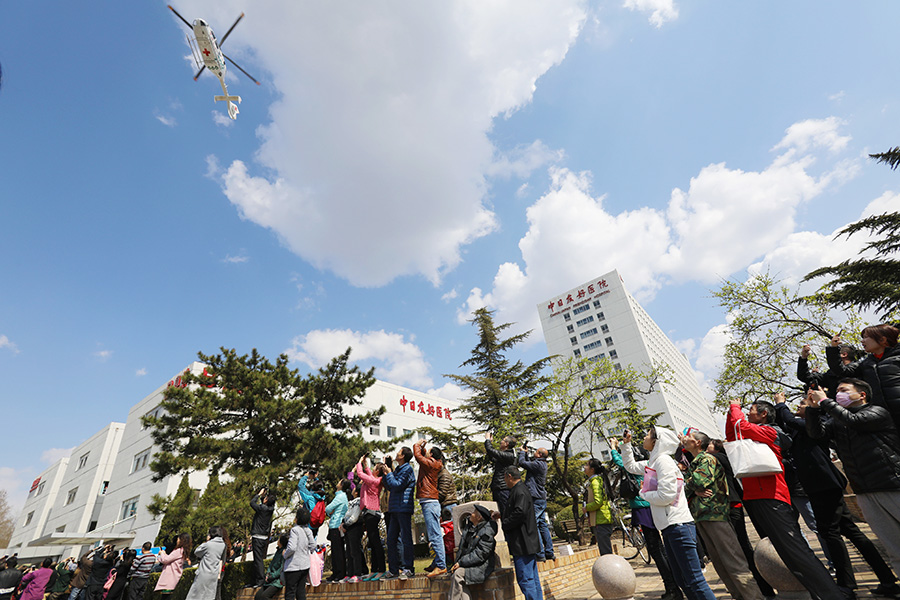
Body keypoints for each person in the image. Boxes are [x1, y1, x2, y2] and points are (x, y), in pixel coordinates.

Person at [777, 389, 899, 598]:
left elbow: (790, 418)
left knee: (830, 533)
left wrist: (781, 404)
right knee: (850, 531)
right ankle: (886, 579)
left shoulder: (817, 424)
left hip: (823, 483)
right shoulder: (804, 426)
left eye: (802, 405)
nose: (798, 409)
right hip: (819, 484)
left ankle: (846, 585)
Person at [727, 398, 844, 600]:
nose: (748, 413)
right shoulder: (752, 433)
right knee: (787, 554)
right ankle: (817, 594)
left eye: (752, 410)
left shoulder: (771, 432)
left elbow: (740, 425)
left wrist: (735, 407)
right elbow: (733, 431)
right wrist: (731, 412)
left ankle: (833, 595)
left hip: (772, 497)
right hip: (757, 497)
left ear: (764, 414)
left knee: (797, 551)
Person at [806, 379, 900, 584]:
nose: (838, 394)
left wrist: (825, 402)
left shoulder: (876, 412)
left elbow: (854, 421)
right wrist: (813, 410)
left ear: (862, 395)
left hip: (892, 484)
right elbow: (817, 434)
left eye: (843, 390)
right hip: (864, 491)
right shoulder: (838, 421)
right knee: (893, 548)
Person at [621, 428, 715, 600]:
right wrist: (626, 446)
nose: (644, 437)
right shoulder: (654, 462)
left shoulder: (663, 461)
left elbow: (666, 495)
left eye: (648, 434)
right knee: (683, 580)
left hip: (678, 526)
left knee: (694, 580)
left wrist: (643, 493)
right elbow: (631, 466)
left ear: (657, 441)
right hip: (669, 527)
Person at [682, 430, 762, 600]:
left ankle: (754, 597)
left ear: (697, 443)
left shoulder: (707, 459)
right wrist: (692, 488)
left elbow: (698, 481)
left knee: (734, 560)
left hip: (715, 515)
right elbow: (685, 486)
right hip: (702, 516)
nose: (684, 439)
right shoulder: (696, 462)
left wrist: (690, 486)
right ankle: (738, 596)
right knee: (719, 563)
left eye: (689, 437)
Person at [611, 437, 681, 600]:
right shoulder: (650, 465)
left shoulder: (636, 468)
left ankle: (672, 588)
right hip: (651, 506)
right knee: (660, 549)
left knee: (656, 549)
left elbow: (619, 461)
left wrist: (614, 448)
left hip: (643, 508)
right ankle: (673, 585)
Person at [707, 439, 774, 598]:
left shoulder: (720, 458)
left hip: (733, 507)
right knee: (741, 548)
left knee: (743, 547)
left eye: (709, 444)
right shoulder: (715, 459)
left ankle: (763, 588)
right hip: (731, 506)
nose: (707, 446)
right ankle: (761, 587)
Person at [829, 326, 900, 429]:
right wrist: (833, 348)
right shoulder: (866, 363)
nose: (862, 341)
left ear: (882, 340)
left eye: (866, 337)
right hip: (882, 418)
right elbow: (841, 370)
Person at [496, 466, 543, 600]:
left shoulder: (519, 491)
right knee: (533, 579)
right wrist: (502, 515)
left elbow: (519, 513)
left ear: (509, 476)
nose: (504, 481)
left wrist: (505, 524)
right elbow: (518, 510)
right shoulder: (520, 490)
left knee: (526, 580)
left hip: (523, 543)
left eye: (505, 478)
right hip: (526, 542)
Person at [414, 439, 449, 578]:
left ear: (432, 455)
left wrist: (417, 444)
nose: (426, 453)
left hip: (430, 502)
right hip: (429, 502)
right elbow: (421, 455)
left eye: (428, 451)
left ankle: (441, 566)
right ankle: (438, 562)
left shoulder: (432, 464)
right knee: (434, 534)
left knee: (435, 535)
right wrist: (422, 447)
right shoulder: (433, 464)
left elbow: (418, 456)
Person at [381, 446, 416, 580]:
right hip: (394, 508)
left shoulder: (407, 469)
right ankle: (394, 570)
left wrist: (389, 472)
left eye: (399, 452)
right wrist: (386, 472)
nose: (396, 454)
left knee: (406, 539)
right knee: (390, 540)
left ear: (403, 456)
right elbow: (389, 486)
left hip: (403, 508)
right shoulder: (398, 470)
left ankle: (408, 568)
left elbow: (397, 484)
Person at [449, 505, 497, 600]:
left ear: (479, 518)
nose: (471, 514)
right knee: (456, 575)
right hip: (470, 563)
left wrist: (461, 562)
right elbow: (463, 548)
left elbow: (480, 555)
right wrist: (457, 563)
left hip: (482, 566)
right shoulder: (470, 528)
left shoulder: (487, 532)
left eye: (474, 512)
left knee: (458, 575)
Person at [517, 446, 555, 561]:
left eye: (536, 452)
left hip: (535, 498)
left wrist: (522, 453)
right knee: (542, 524)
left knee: (534, 524)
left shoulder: (538, 465)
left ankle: (540, 553)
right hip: (541, 498)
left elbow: (522, 463)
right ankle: (549, 552)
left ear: (539, 455)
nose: (534, 453)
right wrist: (527, 454)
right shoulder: (541, 464)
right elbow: (529, 464)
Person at [354, 454, 387, 581]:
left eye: (374, 469)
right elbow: (368, 473)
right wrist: (365, 463)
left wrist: (359, 463)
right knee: (372, 543)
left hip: (372, 513)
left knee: (376, 542)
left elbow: (361, 474)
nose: (372, 470)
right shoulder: (375, 479)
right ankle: (374, 570)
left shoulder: (374, 481)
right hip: (370, 513)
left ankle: (381, 569)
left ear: (378, 471)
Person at [185, 526, 229, 600]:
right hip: (213, 574)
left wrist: (207, 541)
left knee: (195, 595)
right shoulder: (223, 545)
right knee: (209, 596)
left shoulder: (208, 544)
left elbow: (197, 552)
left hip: (204, 573)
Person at [283, 507, 316, 600]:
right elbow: (313, 545)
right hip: (305, 565)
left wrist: (285, 555)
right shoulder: (308, 530)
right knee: (301, 592)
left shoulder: (295, 530)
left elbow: (292, 547)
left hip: (293, 566)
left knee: (290, 593)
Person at [582, 458, 613, 555]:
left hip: (601, 519)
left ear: (592, 469)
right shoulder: (596, 480)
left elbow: (598, 502)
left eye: (587, 465)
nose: (584, 467)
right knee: (605, 549)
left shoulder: (595, 482)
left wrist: (586, 507)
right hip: (602, 518)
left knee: (605, 552)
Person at [323, 479, 350, 583]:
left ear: (342, 485)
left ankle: (339, 573)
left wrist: (330, 512)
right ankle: (336, 573)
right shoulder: (341, 496)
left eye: (339, 482)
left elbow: (328, 509)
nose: (337, 483)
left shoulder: (340, 496)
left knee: (337, 551)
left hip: (336, 525)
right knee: (336, 551)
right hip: (335, 525)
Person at [485, 433, 518, 515]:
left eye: (503, 440)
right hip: (499, 487)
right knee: (500, 512)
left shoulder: (508, 455)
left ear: (507, 444)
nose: (500, 442)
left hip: (502, 488)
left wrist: (487, 440)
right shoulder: (505, 456)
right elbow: (492, 457)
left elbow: (490, 450)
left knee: (505, 512)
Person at [250, 487, 276, 587]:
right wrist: (263, 497)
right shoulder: (269, 509)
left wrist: (259, 494)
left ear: (266, 500)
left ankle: (260, 581)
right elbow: (263, 504)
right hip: (263, 537)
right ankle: (255, 580)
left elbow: (252, 503)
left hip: (257, 536)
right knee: (258, 559)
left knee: (258, 560)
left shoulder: (262, 509)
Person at [255, 534, 288, 600]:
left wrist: (272, 576)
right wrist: (268, 574)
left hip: (277, 581)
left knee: (264, 597)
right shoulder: (277, 551)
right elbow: (271, 564)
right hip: (269, 581)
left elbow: (281, 569)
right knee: (257, 597)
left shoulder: (284, 552)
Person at [298, 471, 325, 537]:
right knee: (313, 541)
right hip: (316, 524)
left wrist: (305, 476)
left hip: (309, 523)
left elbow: (300, 486)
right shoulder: (322, 496)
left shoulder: (310, 497)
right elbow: (320, 487)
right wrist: (316, 478)